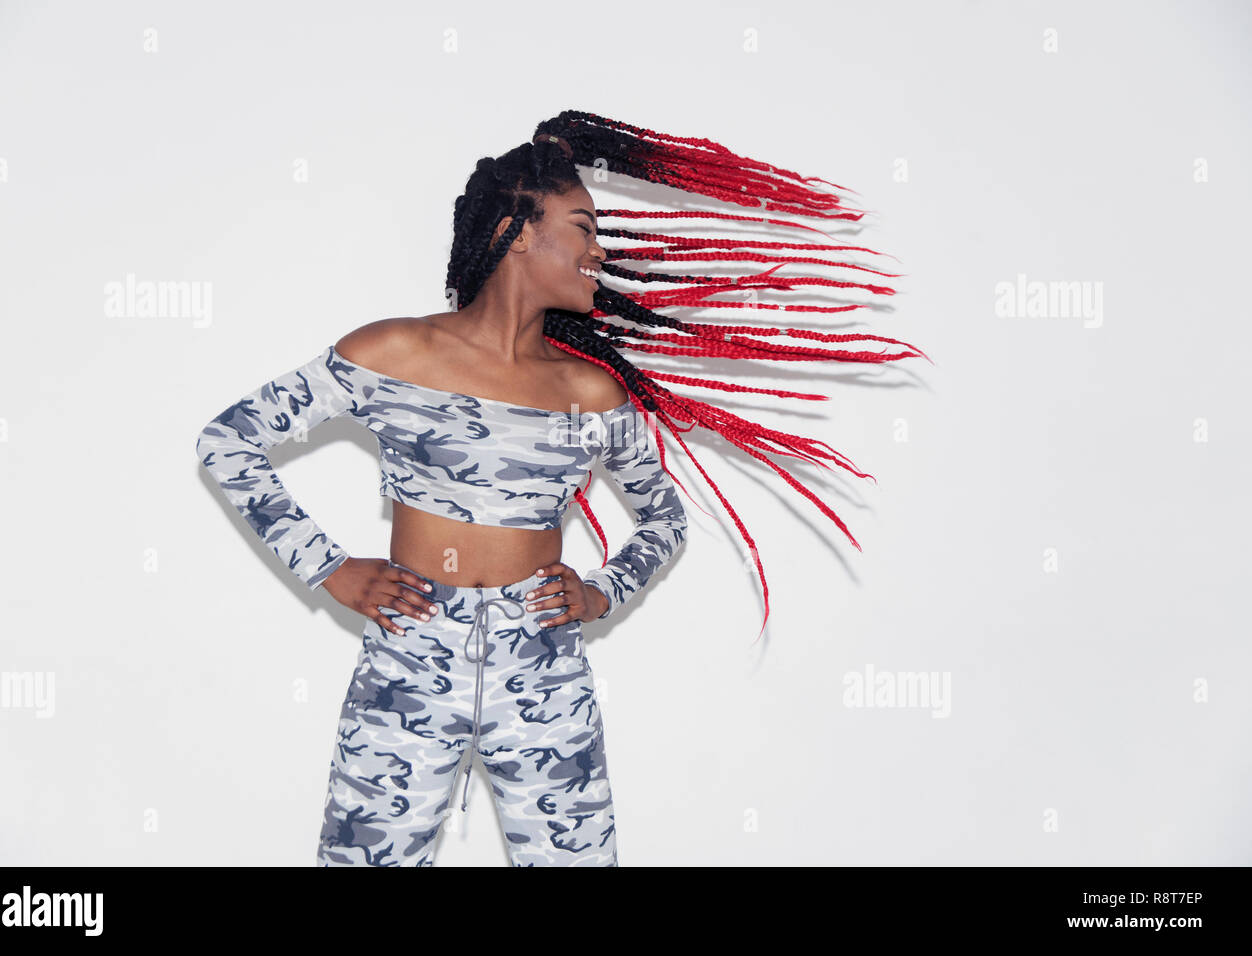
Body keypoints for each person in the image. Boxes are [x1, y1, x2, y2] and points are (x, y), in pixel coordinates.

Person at [195, 112, 927, 866]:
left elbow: (664, 520)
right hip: (411, 654)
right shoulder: (394, 352)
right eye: (582, 228)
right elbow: (228, 441)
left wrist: (600, 593)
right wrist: (329, 568)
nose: (598, 251)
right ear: (517, 230)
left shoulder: (590, 392)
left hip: (541, 665)